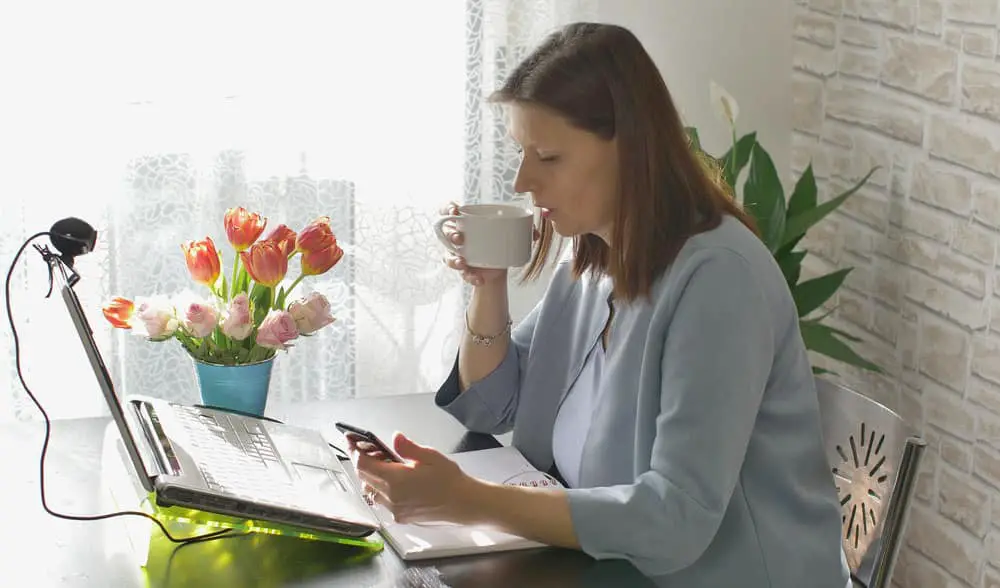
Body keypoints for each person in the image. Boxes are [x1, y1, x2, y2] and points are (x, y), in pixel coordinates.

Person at [349, 21, 850, 588]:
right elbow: (493, 406)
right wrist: (488, 285)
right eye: (520, 152)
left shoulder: (719, 280)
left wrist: (470, 500)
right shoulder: (593, 263)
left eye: (548, 156)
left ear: (630, 148)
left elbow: (676, 519)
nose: (522, 180)